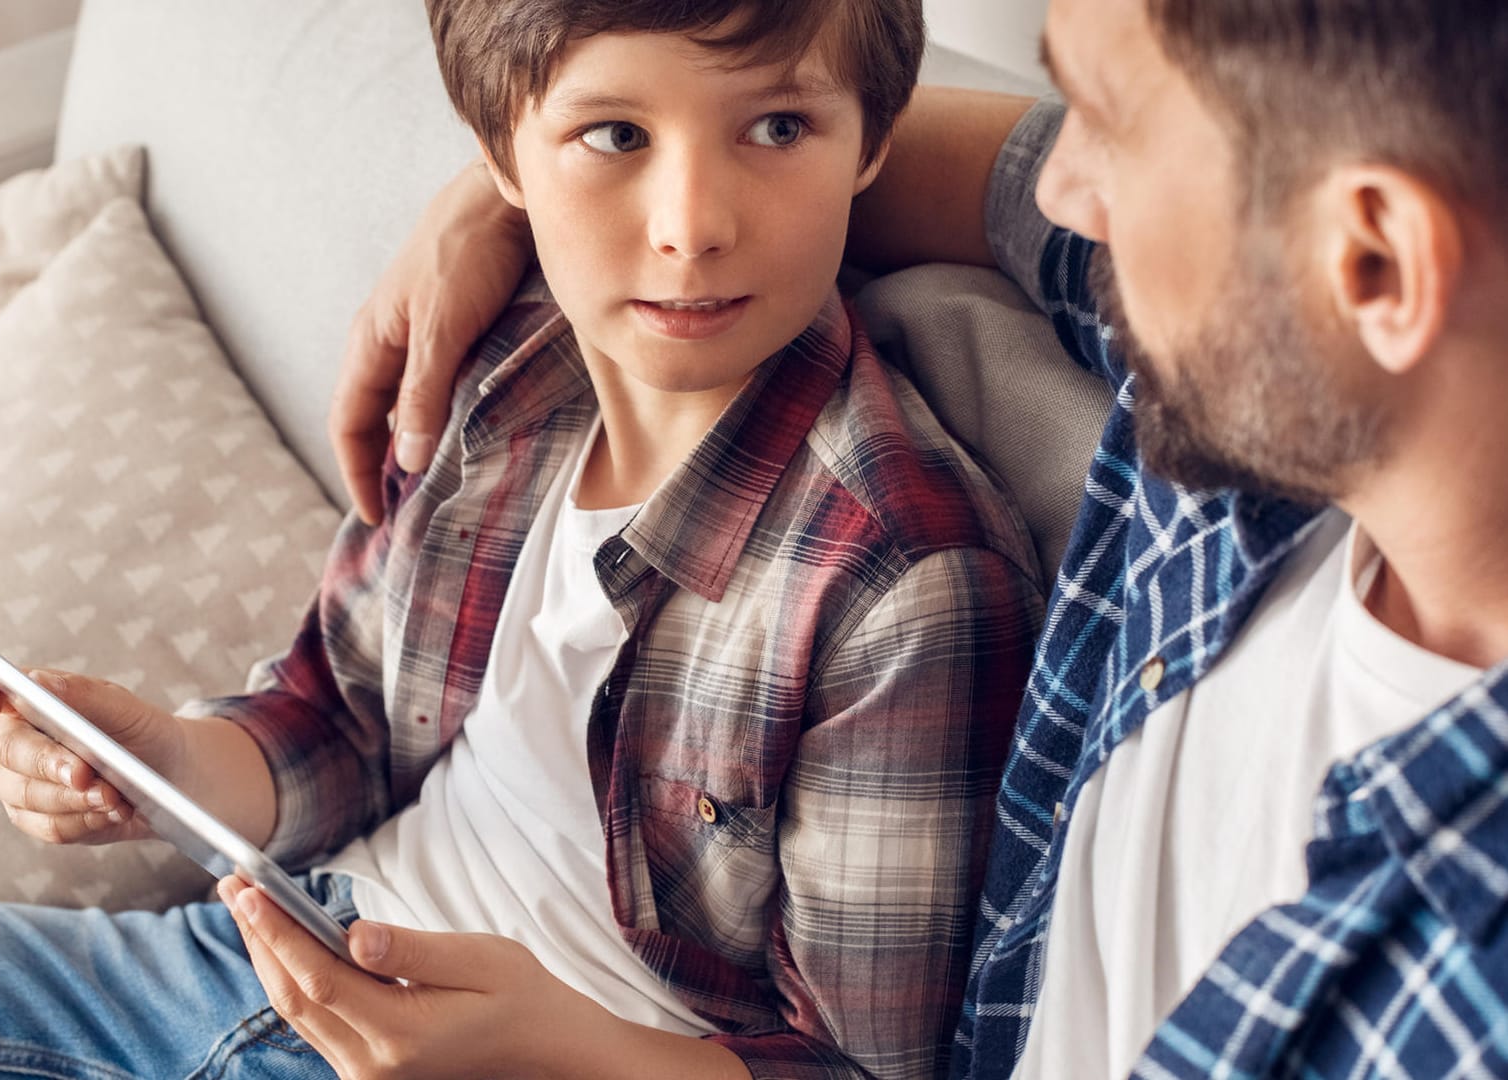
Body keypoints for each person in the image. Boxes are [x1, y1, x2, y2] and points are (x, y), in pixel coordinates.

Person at [332, 0, 1508, 1076]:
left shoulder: (1457, 1001)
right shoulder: (1294, 387)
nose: (1062, 192)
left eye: (1109, 130)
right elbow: (868, 147)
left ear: (1374, 262)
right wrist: (518, 180)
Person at [0, 1, 1046, 1078]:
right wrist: (161, 769)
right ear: (501, 161)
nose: (692, 226)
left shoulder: (908, 586)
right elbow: (340, 721)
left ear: (872, 141)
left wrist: (556, 1052)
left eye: (779, 126)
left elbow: (865, 1067)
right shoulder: (502, 361)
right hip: (265, 955)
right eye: (616, 135)